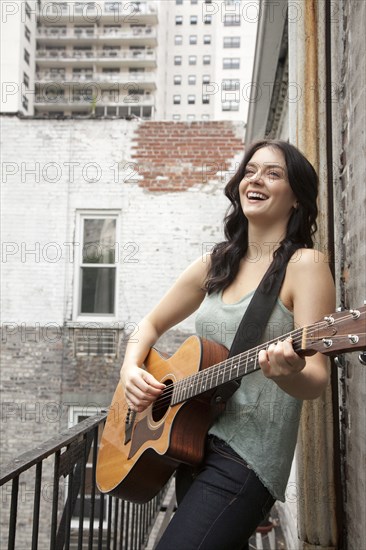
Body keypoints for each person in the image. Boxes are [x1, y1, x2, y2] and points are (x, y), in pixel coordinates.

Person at [120, 139, 335, 550]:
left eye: (273, 173)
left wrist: (288, 374)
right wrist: (131, 369)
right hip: (192, 444)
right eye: (250, 170)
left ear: (296, 198)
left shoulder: (306, 265)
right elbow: (148, 324)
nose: (256, 179)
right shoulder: (216, 262)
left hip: (248, 458)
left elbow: (317, 380)